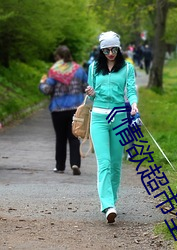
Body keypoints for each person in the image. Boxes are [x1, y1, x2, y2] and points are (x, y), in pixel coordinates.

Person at [85, 31, 138, 223]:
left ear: (119, 48)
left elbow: (131, 90)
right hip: (98, 118)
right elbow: (91, 96)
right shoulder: (94, 68)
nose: (110, 53)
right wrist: (90, 92)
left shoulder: (127, 68)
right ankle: (107, 205)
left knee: (116, 164)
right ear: (101, 50)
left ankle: (112, 201)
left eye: (114, 49)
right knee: (104, 162)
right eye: (106, 50)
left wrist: (133, 104)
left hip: (120, 118)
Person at [39, 45, 88, 175]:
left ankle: (60, 166)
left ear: (58, 57)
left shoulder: (54, 71)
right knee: (74, 137)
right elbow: (86, 87)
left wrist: (42, 83)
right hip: (75, 109)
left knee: (60, 138)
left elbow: (47, 90)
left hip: (58, 109)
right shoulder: (79, 70)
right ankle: (75, 163)